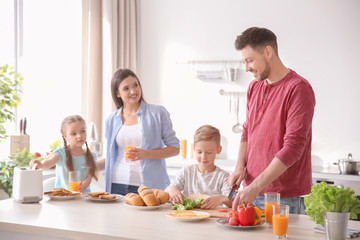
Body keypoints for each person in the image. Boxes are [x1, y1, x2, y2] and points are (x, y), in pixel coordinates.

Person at [228, 27, 316, 214]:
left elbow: (293, 147)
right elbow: (247, 130)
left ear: (268, 52)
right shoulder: (254, 87)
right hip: (251, 190)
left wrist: (256, 186)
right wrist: (239, 166)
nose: (247, 68)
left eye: (250, 60)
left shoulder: (298, 89)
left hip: (281, 197)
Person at [100, 68, 180, 196]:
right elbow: (110, 156)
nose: (133, 91)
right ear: (118, 93)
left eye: (135, 85)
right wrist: (86, 165)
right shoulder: (111, 120)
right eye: (126, 88)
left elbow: (175, 149)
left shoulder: (158, 113)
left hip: (148, 186)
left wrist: (146, 154)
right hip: (117, 183)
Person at [166, 125, 232, 209]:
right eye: (199, 152)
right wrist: (171, 190)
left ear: (218, 150)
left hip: (211, 219)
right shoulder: (186, 172)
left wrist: (222, 198)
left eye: (208, 152)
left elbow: (232, 201)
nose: (203, 157)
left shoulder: (223, 176)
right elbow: (168, 190)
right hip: (188, 217)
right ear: (194, 148)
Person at [30, 115, 98, 192]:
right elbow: (48, 162)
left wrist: (83, 186)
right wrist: (40, 164)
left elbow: (89, 177)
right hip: (63, 198)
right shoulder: (61, 153)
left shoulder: (92, 156)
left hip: (84, 199)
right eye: (74, 134)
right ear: (65, 136)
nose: (79, 136)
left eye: (82, 131)